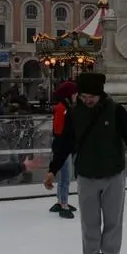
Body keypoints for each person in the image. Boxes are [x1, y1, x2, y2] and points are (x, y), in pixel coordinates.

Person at [44, 72, 127, 254]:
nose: (87, 100)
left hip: (113, 174)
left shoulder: (115, 110)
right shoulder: (74, 114)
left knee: (113, 222)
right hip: (86, 175)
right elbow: (64, 143)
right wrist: (52, 170)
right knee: (89, 223)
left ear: (100, 94)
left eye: (91, 96)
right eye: (84, 96)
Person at [50, 81, 78, 218]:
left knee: (64, 176)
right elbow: (59, 130)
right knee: (66, 176)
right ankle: (64, 204)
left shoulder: (64, 107)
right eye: (74, 93)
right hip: (63, 145)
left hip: (62, 144)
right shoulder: (63, 108)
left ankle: (61, 200)